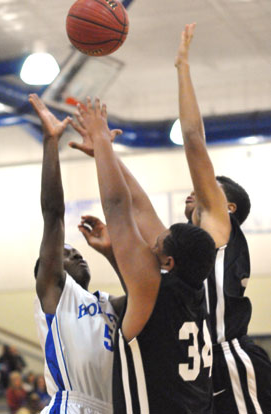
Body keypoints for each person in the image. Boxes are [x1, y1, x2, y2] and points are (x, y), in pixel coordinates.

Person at [71, 96, 217, 413]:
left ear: (168, 262)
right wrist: (105, 152)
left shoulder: (154, 290)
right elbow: (140, 207)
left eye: (157, 243)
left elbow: (119, 208)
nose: (148, 243)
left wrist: (100, 140)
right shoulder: (193, 292)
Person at [174, 23, 271, 413]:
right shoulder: (186, 245)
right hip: (200, 366)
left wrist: (182, 65)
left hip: (230, 359)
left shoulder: (221, 230)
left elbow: (194, 140)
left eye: (211, 188)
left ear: (226, 208)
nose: (196, 188)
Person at [28, 94, 125, 414]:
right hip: (71, 407)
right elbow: (53, 213)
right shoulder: (56, 294)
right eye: (66, 254)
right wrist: (50, 143)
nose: (77, 256)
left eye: (76, 253)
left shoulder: (108, 303)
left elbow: (145, 293)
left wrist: (112, 254)